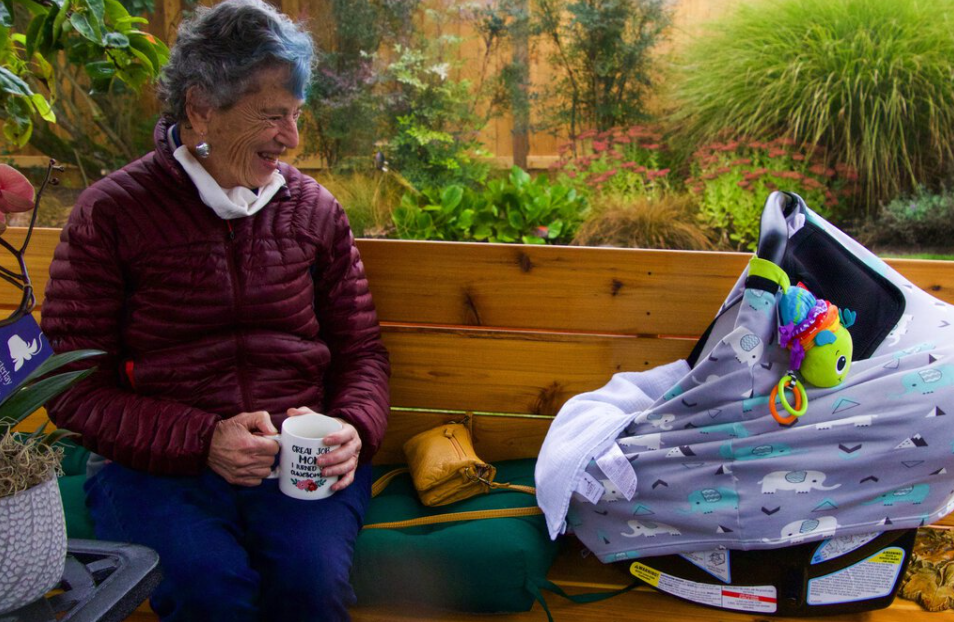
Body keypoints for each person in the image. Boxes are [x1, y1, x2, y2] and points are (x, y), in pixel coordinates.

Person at [40, 1, 390, 620]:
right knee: (209, 590)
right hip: (155, 467)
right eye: (272, 116)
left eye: (297, 115)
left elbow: (361, 351)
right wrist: (201, 440)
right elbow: (71, 389)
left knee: (310, 587)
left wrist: (354, 427)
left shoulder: (315, 211)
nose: (292, 138)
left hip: (298, 461)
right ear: (201, 108)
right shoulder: (112, 214)